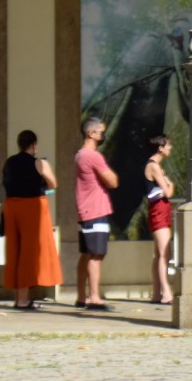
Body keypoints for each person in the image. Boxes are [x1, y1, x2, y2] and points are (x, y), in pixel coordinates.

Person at [2, 130, 62, 309]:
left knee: (15, 250)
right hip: (32, 208)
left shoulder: (9, 162)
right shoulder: (39, 163)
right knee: (30, 252)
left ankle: (18, 297)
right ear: (34, 145)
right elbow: (53, 184)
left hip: (12, 206)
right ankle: (22, 299)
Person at [75, 117, 118, 310]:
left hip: (85, 210)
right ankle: (94, 297)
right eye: (101, 132)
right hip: (95, 210)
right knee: (96, 255)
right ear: (90, 133)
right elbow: (113, 181)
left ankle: (81, 296)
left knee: (86, 254)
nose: (103, 136)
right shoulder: (93, 156)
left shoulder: (80, 155)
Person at [144, 134, 176, 305]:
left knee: (159, 254)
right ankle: (166, 292)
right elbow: (169, 191)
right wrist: (170, 184)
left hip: (160, 210)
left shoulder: (155, 166)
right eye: (168, 145)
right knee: (165, 253)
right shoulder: (154, 167)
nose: (170, 149)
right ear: (160, 147)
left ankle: (157, 293)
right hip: (159, 211)